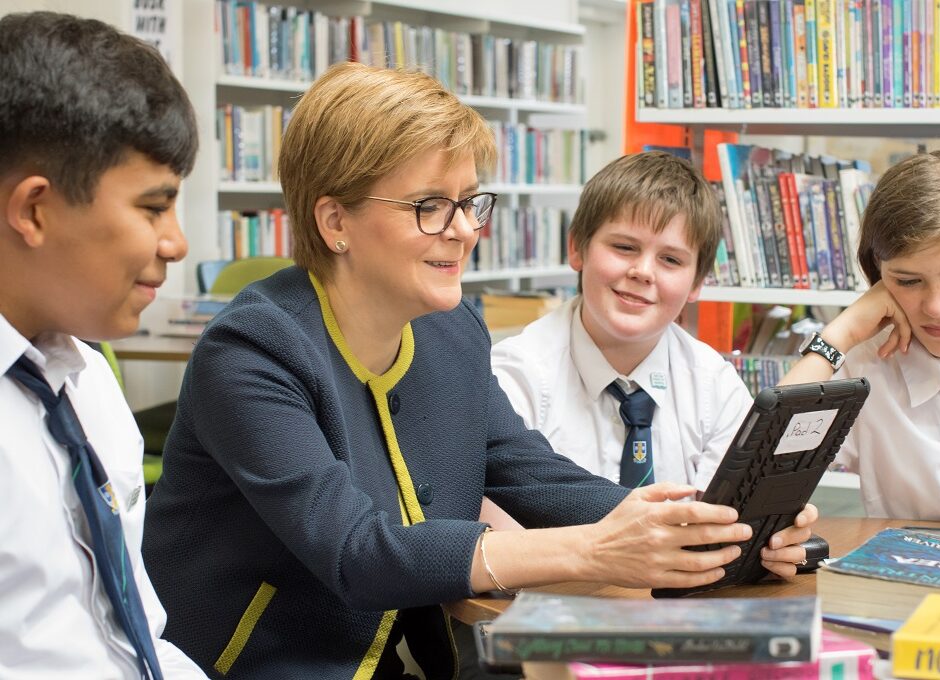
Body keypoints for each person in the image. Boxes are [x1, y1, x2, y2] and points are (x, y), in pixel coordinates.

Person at [142, 63, 812, 680]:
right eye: (431, 206)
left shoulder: (450, 330)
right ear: (334, 218)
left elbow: (531, 473)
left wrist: (717, 530)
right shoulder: (253, 352)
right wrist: (594, 552)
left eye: (469, 203)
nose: (465, 230)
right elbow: (356, 552)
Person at [0, 11, 204, 679]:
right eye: (153, 207)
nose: (176, 243)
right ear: (35, 210)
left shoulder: (85, 380)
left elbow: (133, 638)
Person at [488, 150, 816, 565]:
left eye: (671, 259)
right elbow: (502, 545)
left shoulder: (713, 382)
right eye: (624, 247)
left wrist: (769, 536)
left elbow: (728, 526)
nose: (644, 271)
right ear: (577, 249)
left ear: (697, 282)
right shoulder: (513, 376)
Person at [781, 149, 940, 522]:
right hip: (912, 575)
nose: (936, 307)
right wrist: (841, 333)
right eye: (908, 281)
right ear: (878, 276)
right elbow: (758, 463)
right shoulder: (866, 364)